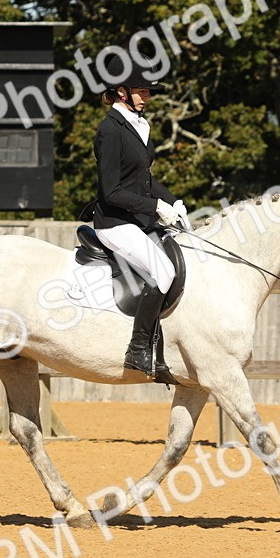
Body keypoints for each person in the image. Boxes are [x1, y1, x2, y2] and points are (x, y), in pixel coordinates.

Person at [91, 71, 190, 383]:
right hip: (114, 222)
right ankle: (137, 349)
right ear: (123, 92)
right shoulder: (110, 130)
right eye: (143, 92)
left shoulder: (138, 126)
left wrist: (173, 202)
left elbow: (143, 180)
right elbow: (112, 192)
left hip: (137, 220)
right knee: (163, 271)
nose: (148, 97)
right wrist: (155, 207)